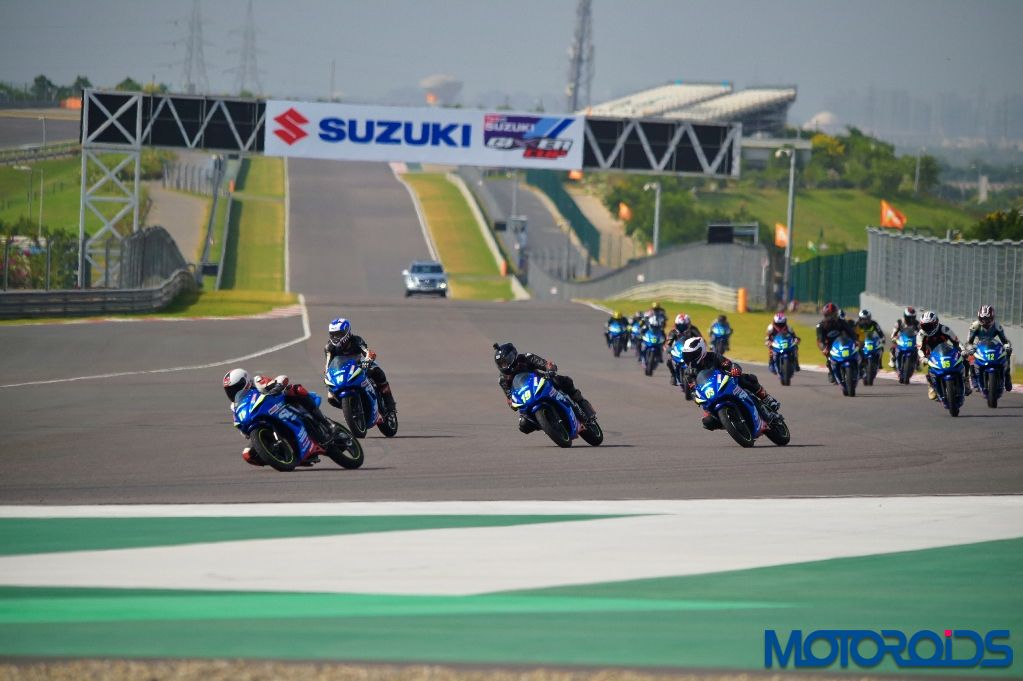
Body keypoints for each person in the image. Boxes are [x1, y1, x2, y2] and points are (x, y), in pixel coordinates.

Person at [223, 368, 340, 467]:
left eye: (235, 387)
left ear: (246, 381)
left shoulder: (257, 381)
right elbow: (242, 430)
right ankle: (283, 456)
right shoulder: (235, 407)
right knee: (248, 454)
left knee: (295, 390)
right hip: (262, 421)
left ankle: (326, 423)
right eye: (229, 390)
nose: (233, 392)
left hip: (281, 406)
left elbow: (282, 379)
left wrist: (277, 387)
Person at [680, 337, 781, 431]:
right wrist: (696, 397)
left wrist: (734, 369)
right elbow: (693, 389)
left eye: (692, 355)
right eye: (687, 356)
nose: (689, 358)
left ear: (701, 351)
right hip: (710, 395)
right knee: (707, 422)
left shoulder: (714, 356)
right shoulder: (688, 372)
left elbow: (730, 364)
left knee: (746, 379)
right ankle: (731, 424)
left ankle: (767, 398)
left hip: (726, 383)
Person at [493, 342, 596, 432]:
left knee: (562, 381)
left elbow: (545, 364)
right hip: (526, 398)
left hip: (542, 384)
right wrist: (512, 403)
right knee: (523, 425)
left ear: (513, 356)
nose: (504, 366)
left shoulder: (526, 358)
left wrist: (550, 369)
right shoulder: (503, 379)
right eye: (501, 364)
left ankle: (583, 406)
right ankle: (548, 425)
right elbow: (510, 396)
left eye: (505, 362)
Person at [323, 317, 396, 415]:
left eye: (338, 334)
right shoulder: (329, 347)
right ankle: (352, 409)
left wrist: (367, 361)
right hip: (341, 373)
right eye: (333, 335)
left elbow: (368, 353)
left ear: (347, 332)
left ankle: (390, 406)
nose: (335, 338)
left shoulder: (356, 340)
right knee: (331, 398)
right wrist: (326, 376)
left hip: (359, 366)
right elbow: (328, 365)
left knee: (378, 371)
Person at [917, 310, 970, 401]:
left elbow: (956, 342)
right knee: (930, 367)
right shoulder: (921, 334)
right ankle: (931, 386)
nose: (927, 328)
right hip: (931, 354)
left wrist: (963, 350)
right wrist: (922, 358)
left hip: (947, 351)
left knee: (965, 360)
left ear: (936, 323)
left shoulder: (944, 329)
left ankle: (966, 380)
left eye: (930, 326)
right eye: (925, 326)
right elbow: (919, 349)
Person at [966, 305, 1013, 392]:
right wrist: (970, 348)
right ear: (979, 317)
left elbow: (1005, 341)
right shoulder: (974, 326)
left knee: (1007, 351)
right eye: (983, 319)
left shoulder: (997, 326)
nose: (985, 321)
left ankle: (1007, 375)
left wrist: (1007, 346)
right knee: (970, 356)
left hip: (992, 344)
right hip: (978, 344)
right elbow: (969, 342)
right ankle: (974, 378)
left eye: (987, 319)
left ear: (992, 318)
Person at [815, 302, 857, 384]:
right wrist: (824, 348)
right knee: (829, 360)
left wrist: (855, 340)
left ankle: (856, 369)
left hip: (843, 342)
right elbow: (820, 340)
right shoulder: (820, 326)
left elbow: (851, 332)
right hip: (829, 345)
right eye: (829, 315)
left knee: (855, 353)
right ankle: (832, 372)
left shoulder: (841, 322)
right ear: (825, 315)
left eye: (833, 314)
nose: (831, 317)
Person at [664, 313, 703, 386]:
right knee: (669, 361)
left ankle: (700, 379)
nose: (681, 328)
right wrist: (668, 347)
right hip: (678, 350)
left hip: (691, 350)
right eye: (679, 326)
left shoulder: (693, 329)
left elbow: (700, 339)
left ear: (688, 325)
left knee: (700, 361)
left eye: (684, 326)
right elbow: (668, 341)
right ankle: (673, 375)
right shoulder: (673, 331)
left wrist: (700, 346)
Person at [854, 309, 885, 376]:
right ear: (860, 319)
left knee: (881, 347)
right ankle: (858, 366)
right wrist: (855, 341)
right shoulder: (857, 325)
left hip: (872, 341)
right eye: (863, 319)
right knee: (856, 351)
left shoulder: (874, 324)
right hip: (861, 342)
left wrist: (882, 338)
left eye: (867, 319)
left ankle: (879, 362)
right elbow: (853, 334)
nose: (865, 321)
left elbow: (880, 332)